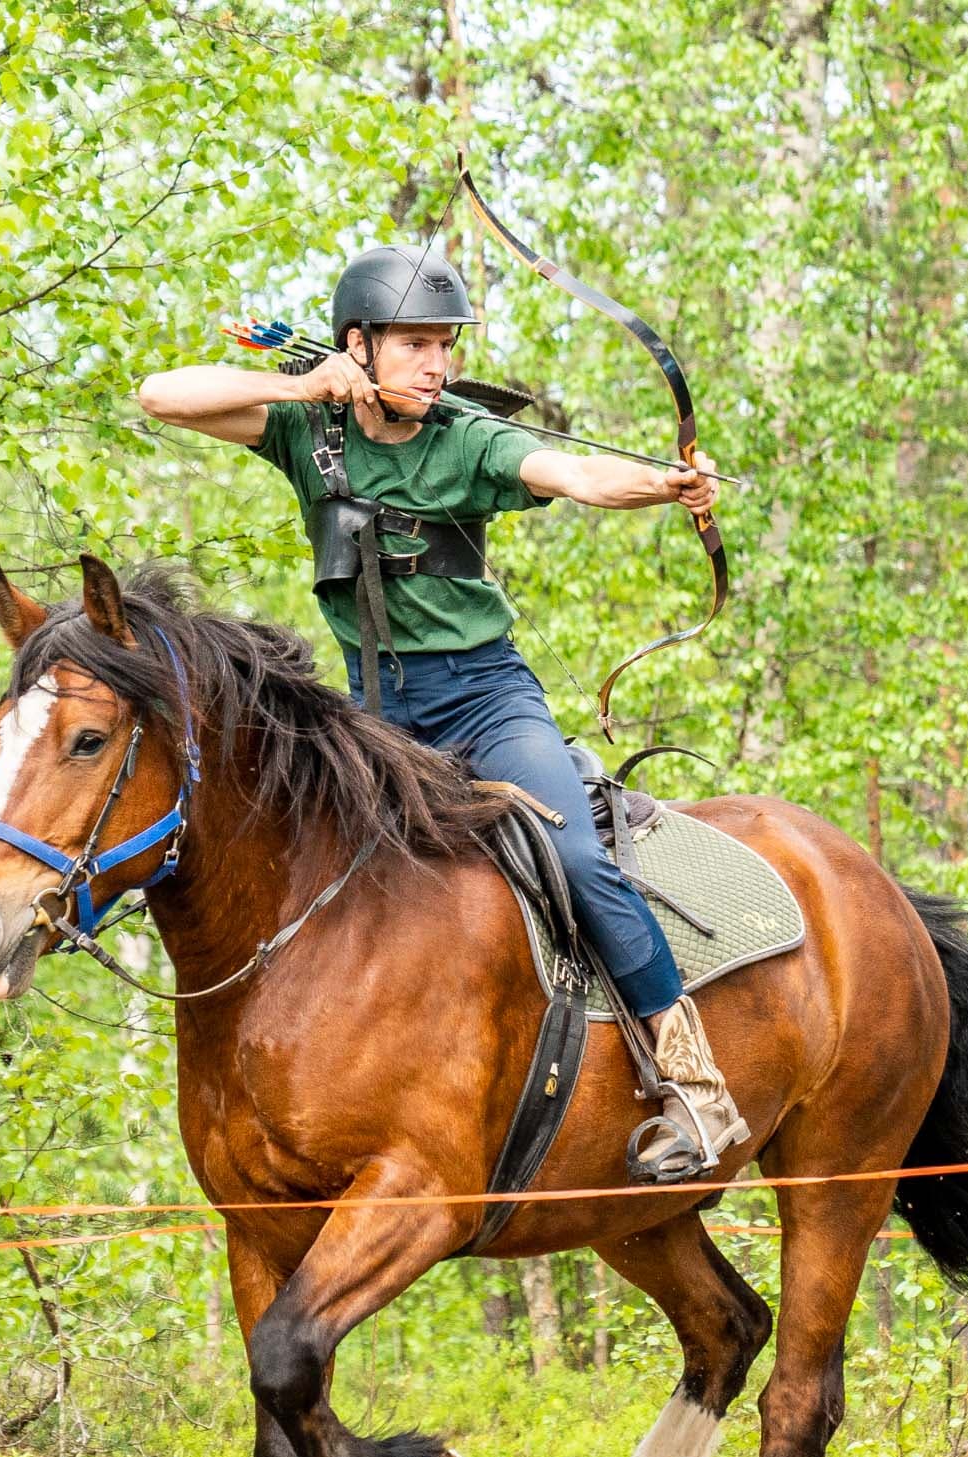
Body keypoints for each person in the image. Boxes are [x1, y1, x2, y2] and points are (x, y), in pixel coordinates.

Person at [136, 246, 748, 1181]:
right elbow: (160, 394)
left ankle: (695, 1085)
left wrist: (665, 486)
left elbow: (572, 474)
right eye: (415, 344)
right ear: (358, 346)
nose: (437, 364)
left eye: (444, 346)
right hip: (373, 713)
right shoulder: (314, 432)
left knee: (576, 856)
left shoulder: (469, 439)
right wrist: (305, 389)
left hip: (485, 700)